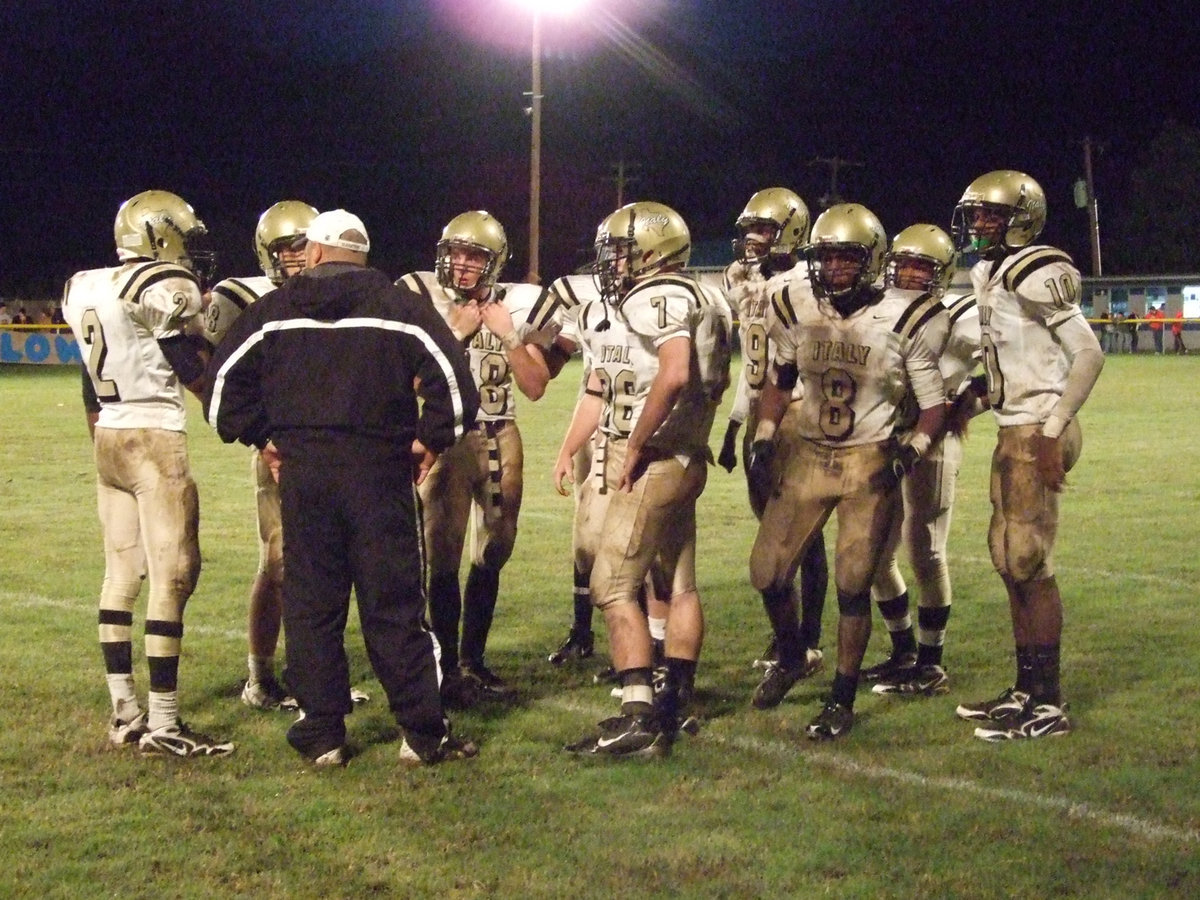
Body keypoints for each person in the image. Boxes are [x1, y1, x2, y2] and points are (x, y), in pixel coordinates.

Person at [206, 209, 480, 766]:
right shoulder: (401, 308)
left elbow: (220, 394)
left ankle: (323, 733)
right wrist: (429, 441)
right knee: (397, 606)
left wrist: (264, 437)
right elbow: (455, 387)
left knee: (312, 606)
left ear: (313, 253)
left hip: (305, 478)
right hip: (379, 474)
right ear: (363, 255)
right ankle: (421, 734)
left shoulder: (273, 311)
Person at [748, 203, 947, 740]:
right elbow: (779, 377)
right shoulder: (797, 305)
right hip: (810, 452)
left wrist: (913, 448)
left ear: (872, 259)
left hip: (867, 460)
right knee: (767, 573)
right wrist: (766, 434)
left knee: (854, 582)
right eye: (826, 257)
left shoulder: (903, 316)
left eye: (845, 258)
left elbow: (934, 404)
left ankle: (841, 696)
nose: (833, 269)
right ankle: (793, 656)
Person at [557, 200, 732, 758]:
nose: (614, 261)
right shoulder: (706, 295)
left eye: (624, 250)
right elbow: (603, 386)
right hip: (683, 455)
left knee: (612, 585)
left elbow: (676, 371)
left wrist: (635, 443)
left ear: (655, 252)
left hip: (653, 457)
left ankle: (638, 716)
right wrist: (572, 448)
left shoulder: (657, 293)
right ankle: (676, 698)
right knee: (678, 581)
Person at [61, 189, 232, 758]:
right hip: (153, 436)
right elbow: (186, 367)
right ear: (160, 236)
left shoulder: (85, 284)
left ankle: (124, 712)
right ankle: (162, 722)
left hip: (108, 433)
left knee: (120, 574)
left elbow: (90, 380)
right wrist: (221, 380)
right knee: (174, 574)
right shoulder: (164, 286)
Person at [949, 170, 1104, 741]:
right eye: (977, 215)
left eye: (990, 215)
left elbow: (1088, 355)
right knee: (1008, 556)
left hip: (1040, 427)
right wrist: (974, 402)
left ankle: (1049, 703)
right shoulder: (990, 271)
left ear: (1023, 217)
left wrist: (1052, 428)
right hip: (1016, 424)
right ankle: (1025, 688)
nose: (979, 225)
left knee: (1029, 561)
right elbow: (1009, 366)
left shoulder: (1039, 268)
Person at [202, 200, 373, 712]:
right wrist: (259, 432)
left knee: (325, 564)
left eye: (303, 246)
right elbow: (213, 375)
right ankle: (263, 677)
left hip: (333, 447)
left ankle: (314, 677)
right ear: (266, 253)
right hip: (280, 447)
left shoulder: (340, 293)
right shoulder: (246, 299)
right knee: (281, 561)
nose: (297, 258)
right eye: (285, 248)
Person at [397, 211, 558, 705]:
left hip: (501, 431)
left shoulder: (520, 303)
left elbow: (534, 387)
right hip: (448, 434)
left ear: (494, 264)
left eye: (474, 257)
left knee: (495, 549)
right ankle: (445, 666)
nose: (462, 265)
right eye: (456, 254)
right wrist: (455, 334)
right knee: (441, 552)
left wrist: (509, 336)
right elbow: (408, 381)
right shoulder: (416, 295)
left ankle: (473, 660)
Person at [717, 188, 828, 708]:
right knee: (774, 529)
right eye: (750, 229)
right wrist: (737, 423)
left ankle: (806, 639)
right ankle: (792, 638)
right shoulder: (747, 281)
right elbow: (755, 362)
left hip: (801, 412)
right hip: (764, 414)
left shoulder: (809, 284)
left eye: (764, 229)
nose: (752, 239)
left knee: (805, 536)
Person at [862, 224, 980, 697]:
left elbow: (997, 374)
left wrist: (967, 403)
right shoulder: (877, 310)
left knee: (925, 549)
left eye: (921, 266)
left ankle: (931, 663)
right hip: (883, 439)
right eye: (903, 263)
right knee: (873, 556)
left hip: (931, 442)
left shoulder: (957, 319)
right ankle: (903, 650)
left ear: (941, 274)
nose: (909, 274)